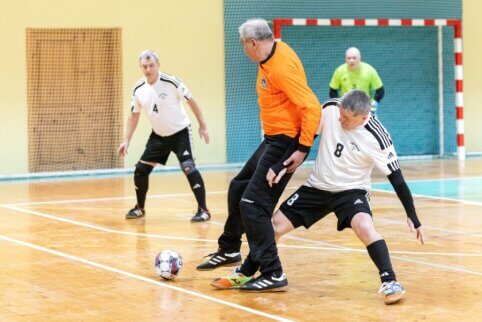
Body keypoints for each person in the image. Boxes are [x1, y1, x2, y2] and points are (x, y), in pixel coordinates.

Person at [199, 18, 321, 292]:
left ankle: (273, 272)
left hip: (286, 144)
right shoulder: (272, 54)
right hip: (273, 139)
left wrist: (302, 149)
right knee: (238, 187)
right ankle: (230, 248)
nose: (243, 51)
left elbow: (312, 108)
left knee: (254, 204)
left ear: (254, 43)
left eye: (244, 45)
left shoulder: (281, 67)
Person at [268, 90, 422, 304]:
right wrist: (279, 165)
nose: (341, 120)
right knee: (273, 226)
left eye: (347, 119)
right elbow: (304, 138)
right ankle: (266, 272)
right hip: (317, 186)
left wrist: (411, 214)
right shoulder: (331, 108)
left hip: (352, 191)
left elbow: (396, 179)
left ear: (364, 117)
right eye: (341, 115)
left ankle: (390, 281)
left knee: (365, 227)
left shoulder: (378, 136)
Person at [117, 50, 211, 222]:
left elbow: (192, 101)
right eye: (144, 66)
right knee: (140, 170)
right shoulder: (139, 89)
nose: (148, 69)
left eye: (151, 65)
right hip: (159, 136)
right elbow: (134, 115)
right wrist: (126, 140)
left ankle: (203, 210)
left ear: (158, 65)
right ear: (141, 67)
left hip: (180, 133)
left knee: (188, 167)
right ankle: (140, 208)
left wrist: (202, 125)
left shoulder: (171, 82)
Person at [329, 47, 384, 114]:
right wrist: (339, 105)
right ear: (345, 59)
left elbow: (380, 91)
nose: (351, 61)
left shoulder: (369, 70)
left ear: (359, 58)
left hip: (365, 109)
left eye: (354, 58)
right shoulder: (339, 71)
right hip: (346, 109)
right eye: (349, 58)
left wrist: (373, 106)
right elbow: (332, 91)